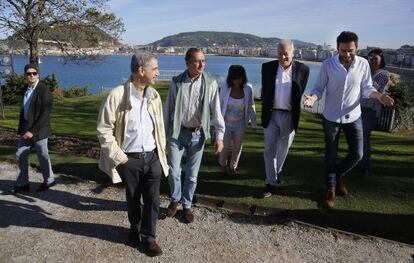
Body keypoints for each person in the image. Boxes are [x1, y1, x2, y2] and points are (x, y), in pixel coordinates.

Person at [303, 31, 394, 209]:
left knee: (358, 154)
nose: (347, 54)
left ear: (356, 48)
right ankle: (331, 189)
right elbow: (318, 88)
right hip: (331, 116)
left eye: (350, 50)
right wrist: (313, 98)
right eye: (343, 51)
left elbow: (367, 88)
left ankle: (336, 176)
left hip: (354, 116)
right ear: (337, 48)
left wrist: (379, 96)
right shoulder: (328, 64)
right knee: (331, 154)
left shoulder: (363, 65)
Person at [97, 51, 168, 257]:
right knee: (133, 199)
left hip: (152, 158)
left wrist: (160, 155)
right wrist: (121, 158)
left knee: (153, 200)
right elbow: (103, 129)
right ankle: (134, 230)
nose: (158, 73)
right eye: (154, 69)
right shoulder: (117, 95)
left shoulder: (154, 96)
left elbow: (159, 129)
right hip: (130, 159)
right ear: (140, 70)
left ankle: (149, 238)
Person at [164, 48, 225, 223]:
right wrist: (161, 134)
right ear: (187, 63)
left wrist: (219, 137)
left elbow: (216, 112)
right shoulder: (176, 82)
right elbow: (167, 109)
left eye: (203, 61)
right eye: (197, 61)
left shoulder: (211, 83)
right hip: (177, 132)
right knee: (173, 170)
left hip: (197, 135)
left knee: (192, 175)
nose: (201, 65)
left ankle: (187, 205)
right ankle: (175, 199)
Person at [261, 40, 310, 198]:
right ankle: (270, 182)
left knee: (283, 149)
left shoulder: (303, 69)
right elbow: (265, 91)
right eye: (280, 53)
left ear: (293, 54)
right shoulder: (267, 67)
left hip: (290, 115)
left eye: (286, 54)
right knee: (269, 150)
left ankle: (277, 172)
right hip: (271, 114)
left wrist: (308, 100)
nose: (282, 57)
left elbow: (299, 91)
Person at [13, 63, 56, 193]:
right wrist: (23, 129)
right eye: (28, 74)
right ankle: (23, 183)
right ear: (25, 75)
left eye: (34, 73)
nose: (31, 76)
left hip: (40, 130)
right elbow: (24, 111)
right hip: (26, 129)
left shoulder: (44, 90)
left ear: (38, 74)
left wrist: (32, 131)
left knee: (43, 156)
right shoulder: (25, 89)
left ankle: (49, 180)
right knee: (21, 154)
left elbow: (45, 114)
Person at [218, 65, 257, 176]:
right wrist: (216, 123)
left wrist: (253, 124)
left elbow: (251, 106)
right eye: (235, 78)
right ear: (231, 78)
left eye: (239, 78)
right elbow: (219, 105)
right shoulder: (225, 87)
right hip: (225, 124)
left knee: (238, 147)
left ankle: (233, 167)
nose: (237, 81)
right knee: (224, 146)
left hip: (240, 124)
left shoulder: (248, 89)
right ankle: (222, 165)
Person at [360, 48, 390, 176]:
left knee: (364, 138)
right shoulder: (365, 72)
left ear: (381, 60)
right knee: (357, 138)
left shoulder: (383, 74)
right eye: (370, 58)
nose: (371, 60)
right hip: (359, 108)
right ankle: (358, 161)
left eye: (375, 58)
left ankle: (365, 166)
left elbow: (372, 89)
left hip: (371, 110)